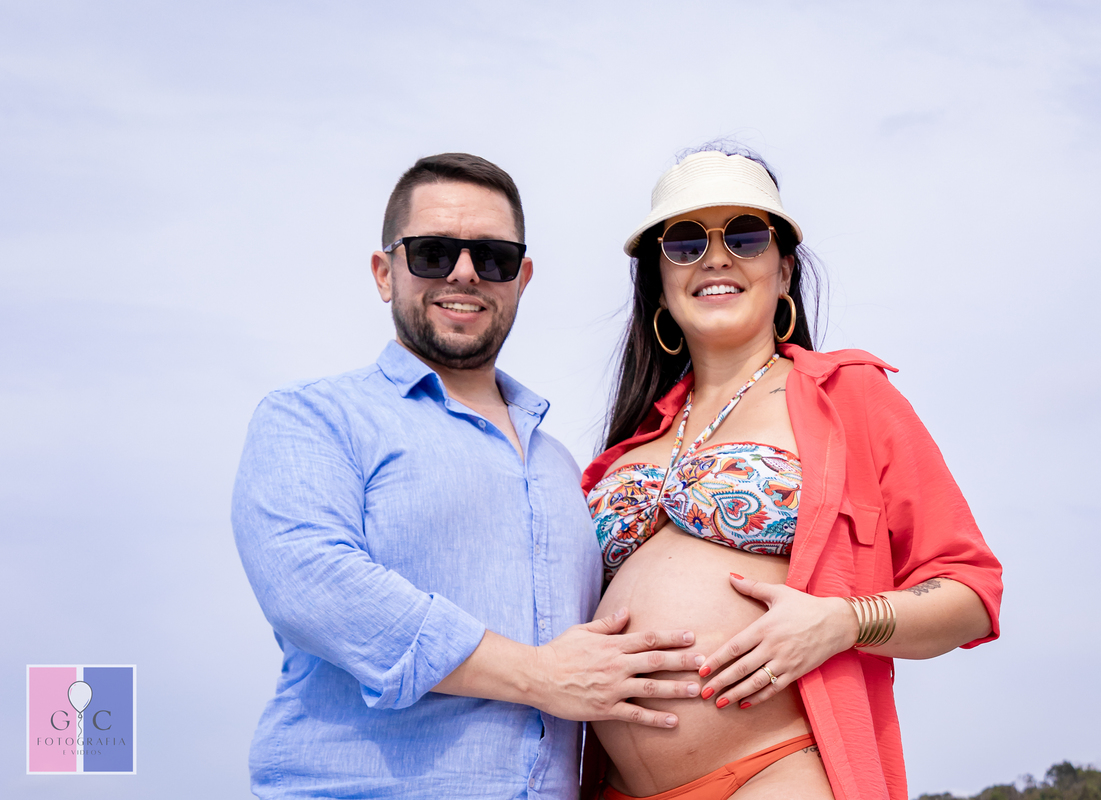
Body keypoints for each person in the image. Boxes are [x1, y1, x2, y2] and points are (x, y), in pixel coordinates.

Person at [231, 152, 705, 800]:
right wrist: (538, 676)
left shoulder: (561, 467)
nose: (464, 273)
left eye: (493, 257)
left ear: (522, 278)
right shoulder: (314, 418)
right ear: (384, 273)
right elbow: (313, 585)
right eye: (432, 253)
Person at [581, 148, 1004, 800]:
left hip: (777, 770)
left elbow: (971, 594)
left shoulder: (850, 396)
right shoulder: (621, 450)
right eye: (686, 242)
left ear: (783, 271)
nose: (716, 258)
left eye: (745, 236)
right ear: (658, 283)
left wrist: (843, 622)